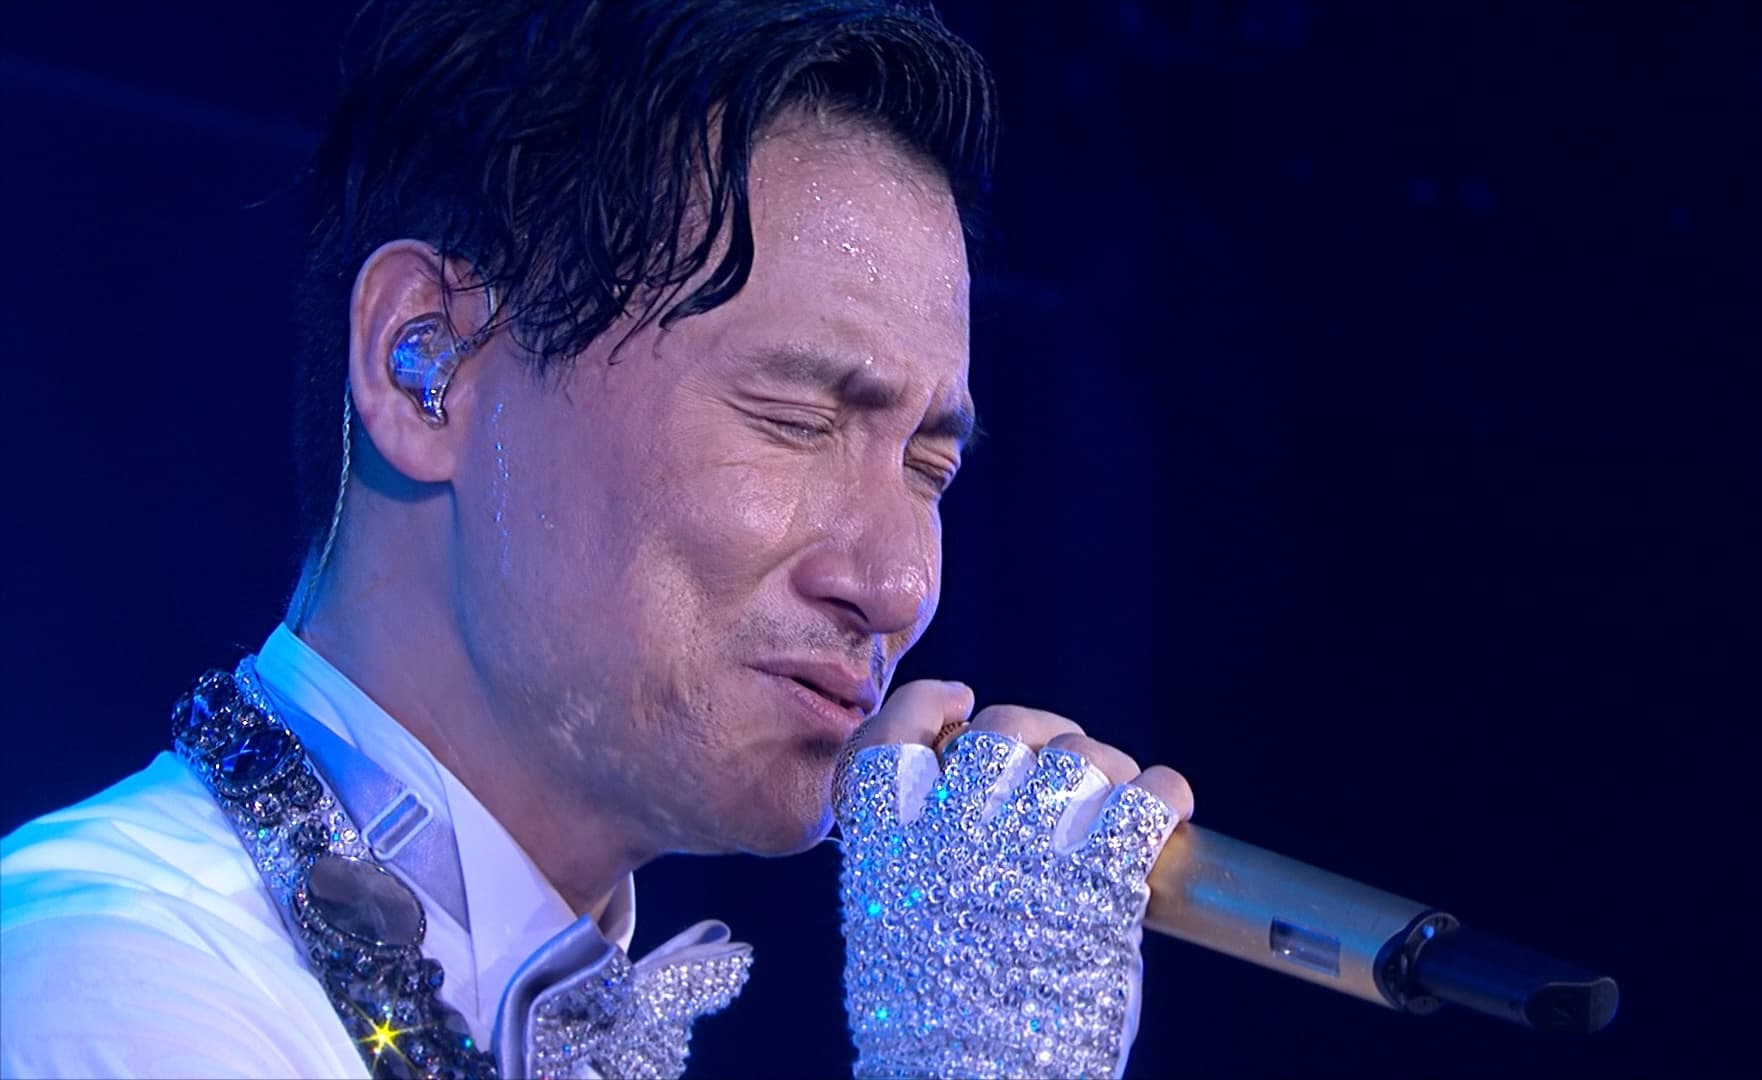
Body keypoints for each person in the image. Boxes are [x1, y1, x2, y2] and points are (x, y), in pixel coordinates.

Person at [0, 1, 1194, 1076]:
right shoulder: (108, 983)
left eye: (930, 468)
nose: (897, 582)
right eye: (795, 420)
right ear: (428, 364)